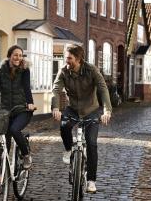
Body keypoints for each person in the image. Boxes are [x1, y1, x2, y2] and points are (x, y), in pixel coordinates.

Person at [52, 44, 112, 193]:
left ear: (78, 59)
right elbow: (56, 89)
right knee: (64, 126)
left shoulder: (91, 70)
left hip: (91, 110)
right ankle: (68, 150)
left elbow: (103, 89)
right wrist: (55, 108)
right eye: (66, 58)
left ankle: (91, 180)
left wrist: (107, 111)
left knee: (91, 143)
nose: (67, 61)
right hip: (72, 109)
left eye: (69, 58)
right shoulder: (64, 71)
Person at [0, 45, 35, 169]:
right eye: (15, 55)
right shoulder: (1, 71)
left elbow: (27, 87)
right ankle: (2, 173)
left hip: (22, 109)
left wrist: (30, 102)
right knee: (5, 141)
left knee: (14, 130)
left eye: (20, 55)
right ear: (10, 56)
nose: (18, 58)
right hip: (6, 111)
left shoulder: (25, 70)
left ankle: (26, 154)